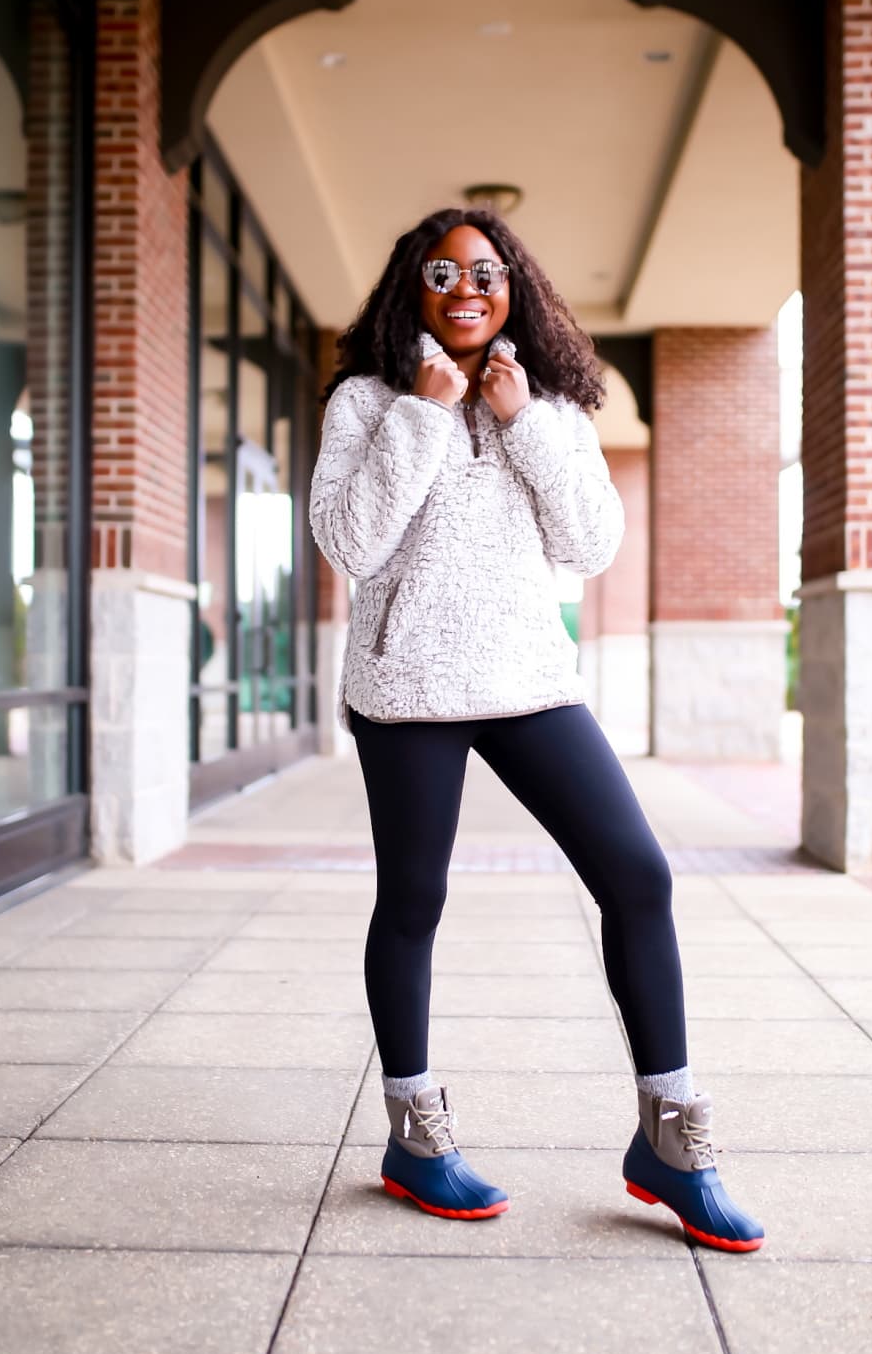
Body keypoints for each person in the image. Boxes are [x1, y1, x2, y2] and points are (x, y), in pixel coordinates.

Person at [308, 206, 764, 1252]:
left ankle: (672, 1139)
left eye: (487, 271)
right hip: (409, 685)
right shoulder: (367, 400)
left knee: (638, 875)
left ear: (515, 287)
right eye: (442, 272)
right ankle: (415, 1137)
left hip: (529, 681)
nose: (466, 288)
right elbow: (352, 543)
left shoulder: (549, 401)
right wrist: (425, 416)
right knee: (414, 900)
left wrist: (521, 423)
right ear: (409, 290)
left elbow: (593, 542)